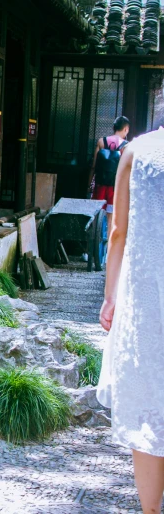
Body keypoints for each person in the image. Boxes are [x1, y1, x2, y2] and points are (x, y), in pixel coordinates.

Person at [97, 126, 164, 514]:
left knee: (149, 410)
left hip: (148, 302)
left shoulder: (136, 151)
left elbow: (118, 232)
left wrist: (111, 297)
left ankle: (150, 510)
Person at [89, 115, 130, 215]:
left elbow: (93, 166)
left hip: (100, 185)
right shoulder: (126, 146)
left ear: (113, 128)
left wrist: (89, 183)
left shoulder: (101, 142)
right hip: (115, 187)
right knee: (111, 216)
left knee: (97, 214)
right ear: (126, 129)